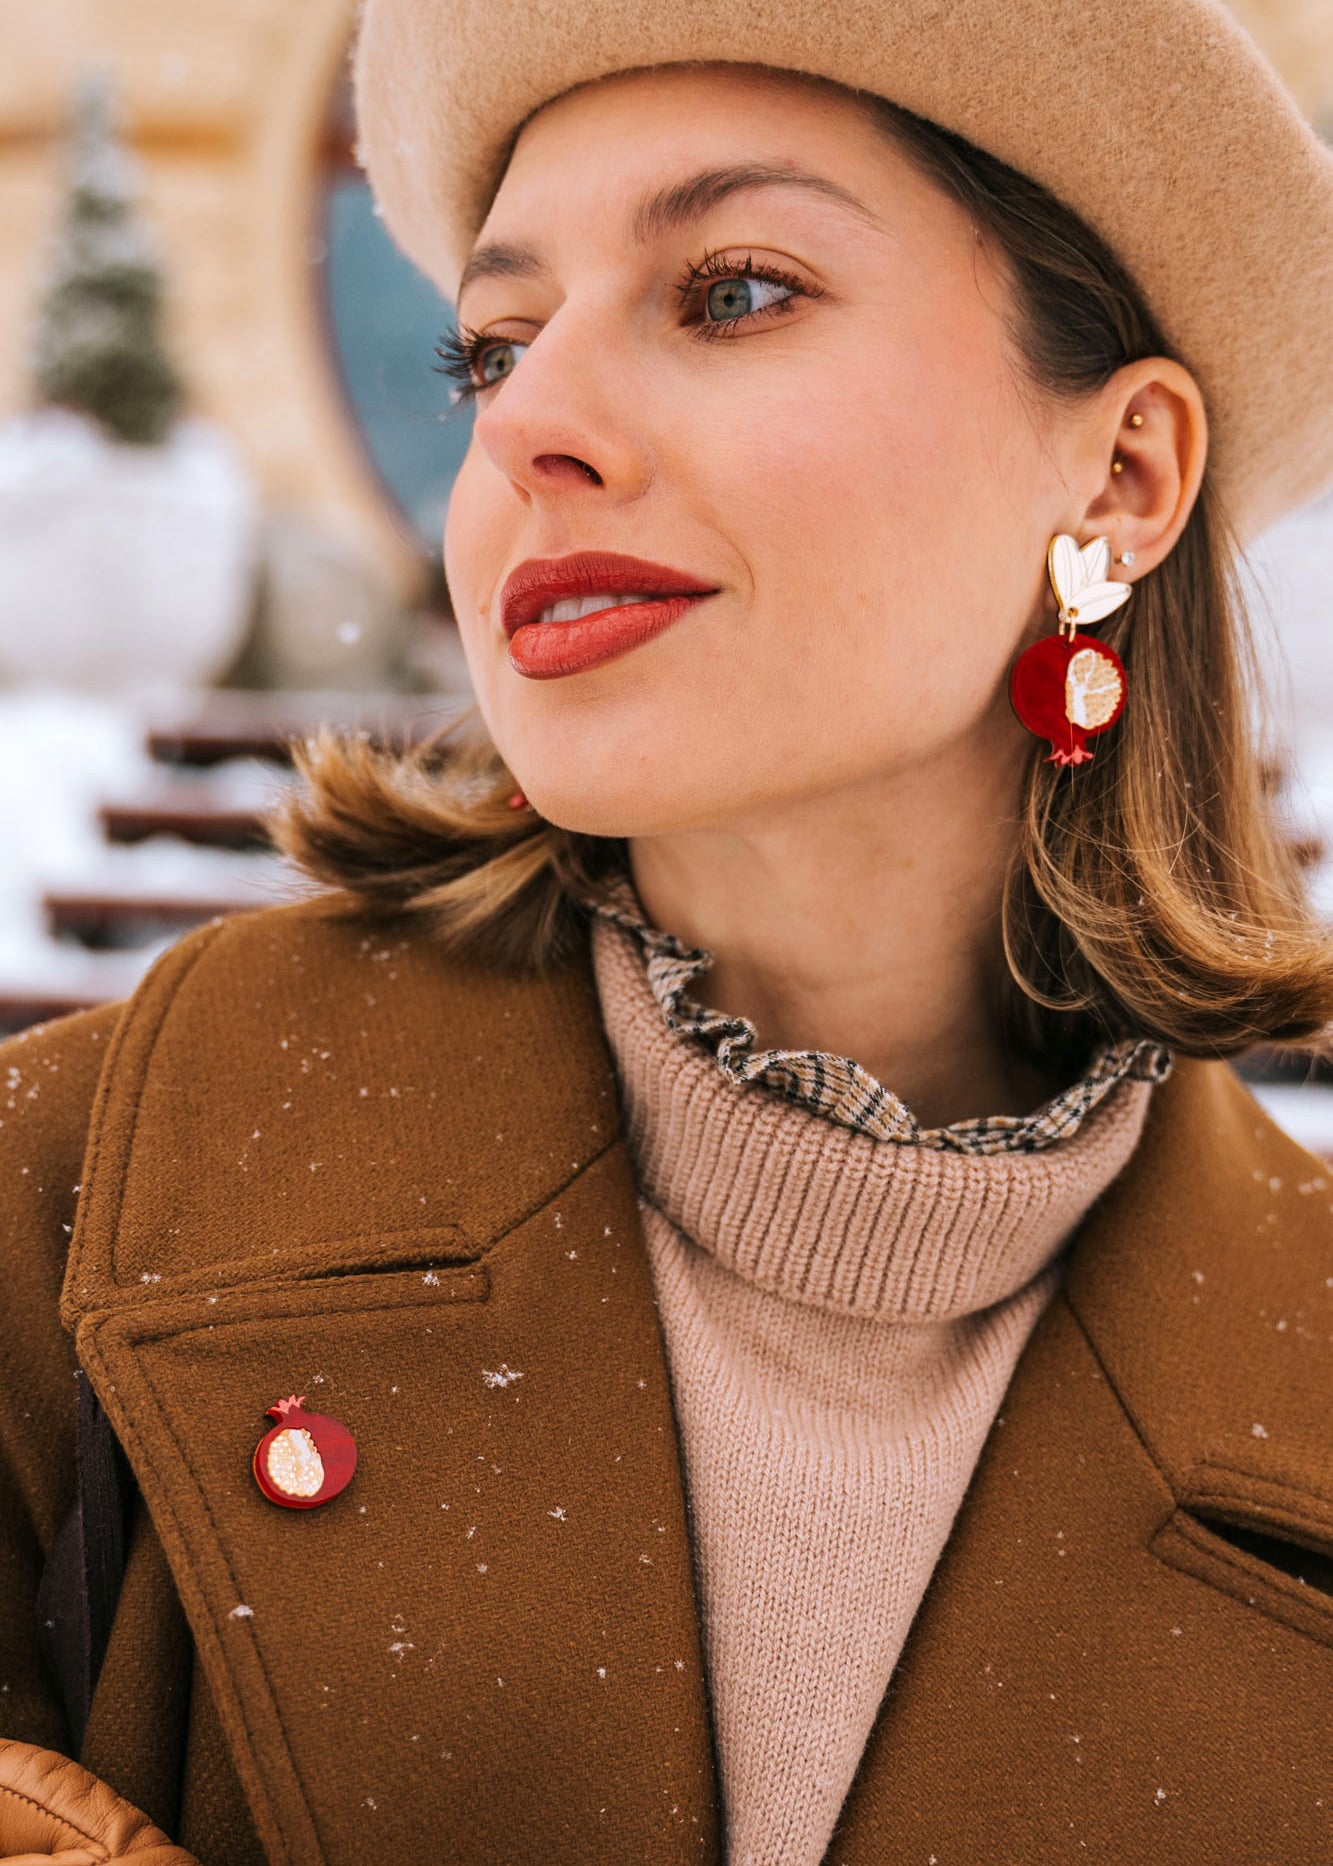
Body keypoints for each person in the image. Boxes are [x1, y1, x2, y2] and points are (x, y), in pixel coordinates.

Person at [2, 2, 1331, 1861]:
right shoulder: (68, 1208)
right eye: (492, 346)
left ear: (1117, 477)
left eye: (732, 291)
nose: (527, 420)